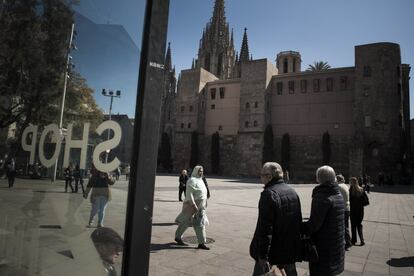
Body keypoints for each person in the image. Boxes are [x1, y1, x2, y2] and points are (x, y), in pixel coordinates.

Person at [250, 162, 302, 276]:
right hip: (289, 248)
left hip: (274, 250)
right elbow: (298, 222)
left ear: (269, 177)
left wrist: (263, 255)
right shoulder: (293, 192)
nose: (260, 177)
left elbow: (265, 229)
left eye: (262, 175)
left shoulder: (268, 194)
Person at [302, 165, 345, 276]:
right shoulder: (338, 193)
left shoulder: (322, 196)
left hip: (324, 246)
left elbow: (314, 224)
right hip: (336, 244)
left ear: (319, 177)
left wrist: (301, 227)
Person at [174, 165, 210, 250]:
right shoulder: (191, 180)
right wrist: (194, 205)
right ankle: (178, 237)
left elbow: (203, 193)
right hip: (191, 207)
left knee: (200, 224)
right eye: (200, 171)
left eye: (202, 171)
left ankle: (201, 242)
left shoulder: (201, 180)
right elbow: (189, 194)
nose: (201, 173)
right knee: (185, 222)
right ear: (195, 171)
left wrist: (205, 203)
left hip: (200, 207)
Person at [336, 174, 352, 250]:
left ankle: (347, 243)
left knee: (343, 227)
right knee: (346, 226)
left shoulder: (339, 186)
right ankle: (347, 242)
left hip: (342, 209)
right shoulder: (345, 185)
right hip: (347, 208)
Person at [349, 177, 366, 246]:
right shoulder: (361, 189)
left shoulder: (351, 190)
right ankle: (362, 240)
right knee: (359, 224)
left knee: (353, 225)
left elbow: (349, 200)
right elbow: (365, 201)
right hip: (360, 211)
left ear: (352, 182)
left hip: (353, 210)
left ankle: (353, 240)